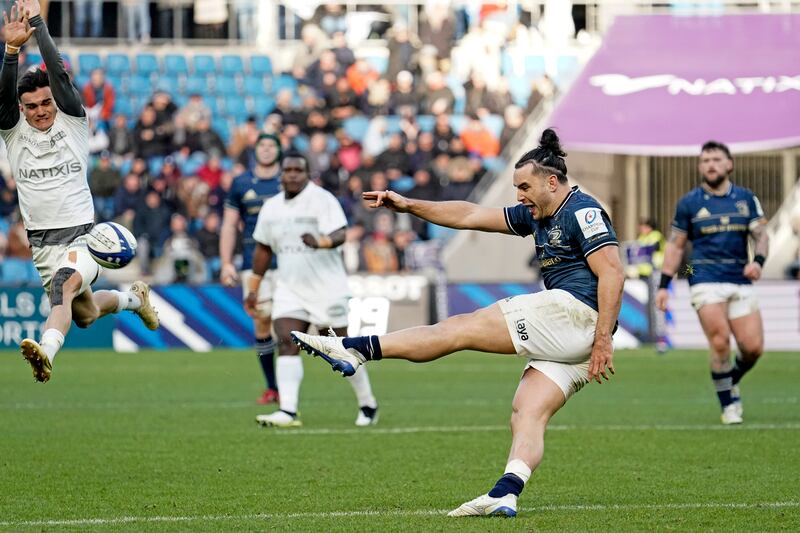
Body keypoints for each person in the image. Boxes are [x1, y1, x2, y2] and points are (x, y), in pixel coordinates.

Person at [292, 129, 623, 517]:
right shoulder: (539, 213)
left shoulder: (581, 211)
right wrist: (409, 206)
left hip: (576, 315)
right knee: (527, 411)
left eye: (524, 187)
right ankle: (506, 492)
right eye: (517, 187)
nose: (519, 196)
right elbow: (468, 214)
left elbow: (613, 274)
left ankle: (357, 348)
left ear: (552, 181)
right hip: (577, 338)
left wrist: (602, 339)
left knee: (460, 328)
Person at [0, 0, 159, 383]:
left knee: (63, 286)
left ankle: (45, 353)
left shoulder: (73, 122)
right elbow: (3, 97)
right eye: (31, 106)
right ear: (22, 109)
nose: (40, 110)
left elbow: (57, 70)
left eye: (45, 102)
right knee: (84, 314)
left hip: (81, 237)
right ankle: (134, 299)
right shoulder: (13, 131)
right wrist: (10, 52)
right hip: (41, 243)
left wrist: (38, 24)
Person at [249, 152, 379, 428]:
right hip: (289, 286)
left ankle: (367, 403)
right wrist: (254, 287)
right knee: (286, 338)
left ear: (308, 174)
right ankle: (288, 410)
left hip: (326, 287)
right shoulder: (271, 207)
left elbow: (341, 233)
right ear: (280, 174)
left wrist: (320, 241)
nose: (293, 174)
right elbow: (262, 248)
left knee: (341, 348)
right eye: (289, 170)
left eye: (299, 169)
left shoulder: (322, 199)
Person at [655, 141, 768, 425]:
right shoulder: (689, 202)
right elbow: (676, 246)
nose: (711, 164)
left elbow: (761, 235)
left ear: (729, 164)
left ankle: (728, 380)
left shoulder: (745, 198)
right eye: (705, 160)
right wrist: (664, 284)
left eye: (716, 159)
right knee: (720, 343)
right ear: (700, 166)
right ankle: (729, 405)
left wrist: (759, 262)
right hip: (700, 274)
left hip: (739, 276)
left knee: (752, 348)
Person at [220, 133, 282, 405]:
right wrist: (225, 263)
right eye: (262, 146)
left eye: (271, 146)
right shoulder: (241, 183)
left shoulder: (289, 181)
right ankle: (273, 387)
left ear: (279, 151)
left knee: (291, 324)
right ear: (255, 151)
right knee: (262, 322)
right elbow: (229, 225)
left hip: (290, 264)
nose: (267, 150)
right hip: (252, 264)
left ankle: (289, 384)